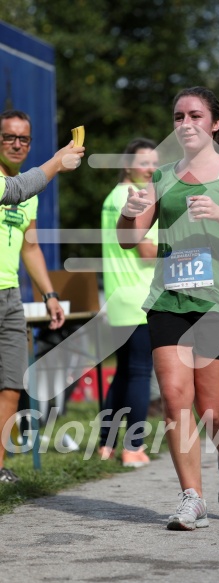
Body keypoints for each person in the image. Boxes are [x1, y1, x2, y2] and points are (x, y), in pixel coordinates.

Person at [117, 86, 219, 530]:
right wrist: (129, 212)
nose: (185, 123)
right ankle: (192, 499)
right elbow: (129, 240)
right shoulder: (161, 177)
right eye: (179, 116)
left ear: (215, 124)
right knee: (174, 401)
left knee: (210, 409)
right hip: (169, 299)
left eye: (195, 116)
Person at [0, 109, 85, 483]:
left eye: (24, 139)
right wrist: (56, 162)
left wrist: (49, 293)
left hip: (10, 296)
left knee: (11, 385)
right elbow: (16, 190)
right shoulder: (19, 186)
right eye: (9, 137)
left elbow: (30, 246)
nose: (17, 144)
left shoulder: (27, 190)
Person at [98, 138, 159, 467]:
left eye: (154, 163)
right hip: (140, 296)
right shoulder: (137, 199)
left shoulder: (112, 197)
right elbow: (147, 250)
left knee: (123, 372)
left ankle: (105, 445)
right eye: (144, 162)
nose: (150, 169)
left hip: (118, 295)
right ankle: (133, 447)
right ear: (127, 165)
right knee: (139, 372)